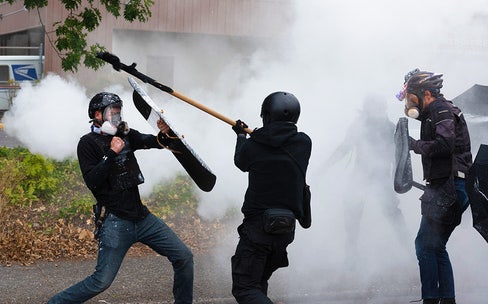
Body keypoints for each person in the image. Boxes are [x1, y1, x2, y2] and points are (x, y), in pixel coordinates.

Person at [47, 92, 194, 304]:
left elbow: (151, 141)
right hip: (115, 222)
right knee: (101, 282)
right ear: (97, 115)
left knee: (184, 256)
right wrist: (112, 153)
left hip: (142, 218)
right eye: (112, 113)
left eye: (118, 113)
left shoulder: (126, 134)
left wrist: (165, 134)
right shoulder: (87, 143)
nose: (116, 118)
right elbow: (93, 180)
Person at [397, 69, 472, 304]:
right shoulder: (434, 112)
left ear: (427, 93)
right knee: (436, 246)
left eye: (412, 96)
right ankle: (446, 300)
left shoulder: (441, 110)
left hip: (449, 187)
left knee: (425, 246)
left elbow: (444, 144)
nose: (410, 103)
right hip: (450, 186)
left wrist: (413, 144)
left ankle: (431, 299)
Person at [230, 91, 312, 304]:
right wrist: (254, 136)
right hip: (285, 229)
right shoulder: (304, 143)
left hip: (258, 229)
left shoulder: (254, 144)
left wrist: (241, 136)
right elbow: (274, 140)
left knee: (245, 289)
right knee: (258, 282)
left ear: (266, 115)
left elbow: (241, 162)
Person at [323, 94, 409, 263]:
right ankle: (352, 256)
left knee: (391, 213)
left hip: (379, 176)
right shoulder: (362, 126)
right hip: (363, 175)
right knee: (354, 213)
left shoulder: (388, 126)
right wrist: (325, 166)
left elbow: (397, 154)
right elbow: (344, 148)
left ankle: (410, 252)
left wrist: (397, 176)